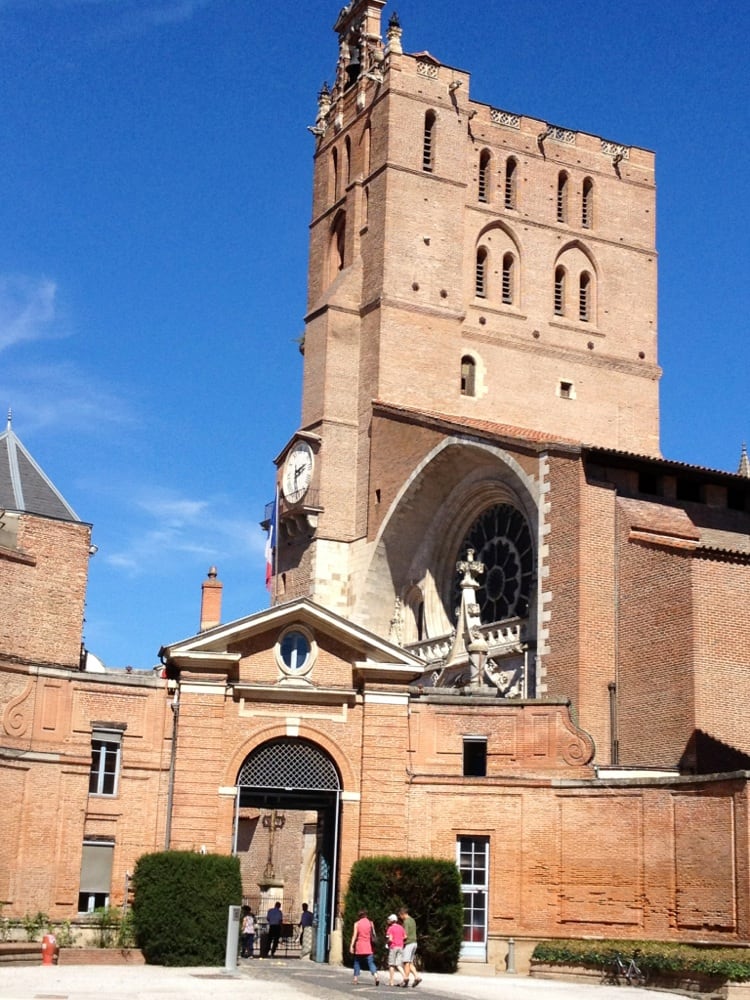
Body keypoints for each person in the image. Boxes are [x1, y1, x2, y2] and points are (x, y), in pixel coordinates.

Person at [349, 908, 379, 986]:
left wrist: (351, 945)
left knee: (357, 962)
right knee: (371, 962)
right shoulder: (370, 923)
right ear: (366, 914)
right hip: (368, 946)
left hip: (360, 946)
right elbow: (374, 935)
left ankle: (355, 978)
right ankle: (376, 976)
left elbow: (354, 935)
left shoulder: (357, 923)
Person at [398, 905, 421, 988]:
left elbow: (405, 935)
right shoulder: (412, 920)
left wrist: (399, 939)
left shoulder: (406, 921)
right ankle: (417, 977)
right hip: (414, 942)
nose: (400, 918)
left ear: (403, 914)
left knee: (406, 962)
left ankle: (406, 979)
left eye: (400, 916)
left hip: (409, 943)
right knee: (410, 962)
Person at [385, 913, 406, 986]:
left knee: (391, 965)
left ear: (391, 920)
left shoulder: (390, 928)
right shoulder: (401, 927)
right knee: (398, 964)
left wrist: (387, 943)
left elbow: (390, 939)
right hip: (401, 946)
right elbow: (405, 936)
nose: (388, 921)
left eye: (389, 919)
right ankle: (405, 977)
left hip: (393, 946)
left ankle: (391, 982)